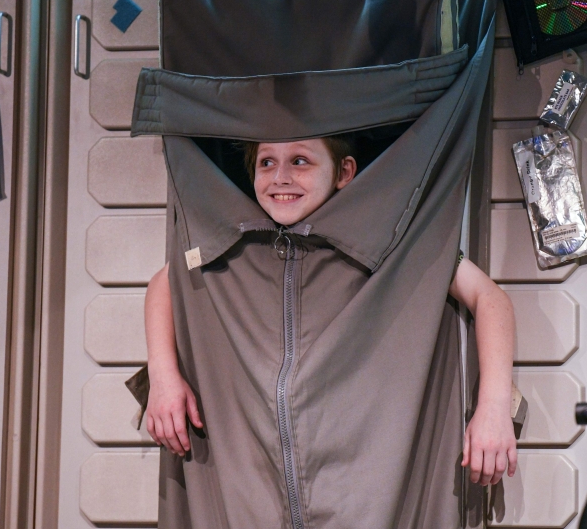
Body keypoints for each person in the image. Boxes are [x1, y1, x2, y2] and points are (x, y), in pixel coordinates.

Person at [143, 136, 517, 489]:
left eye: (300, 161)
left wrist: (494, 407)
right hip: (256, 473)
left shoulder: (385, 237)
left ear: (344, 172)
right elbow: (166, 281)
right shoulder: (238, 240)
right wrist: (162, 377)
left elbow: (488, 297)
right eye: (266, 162)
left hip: (358, 472)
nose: (280, 177)